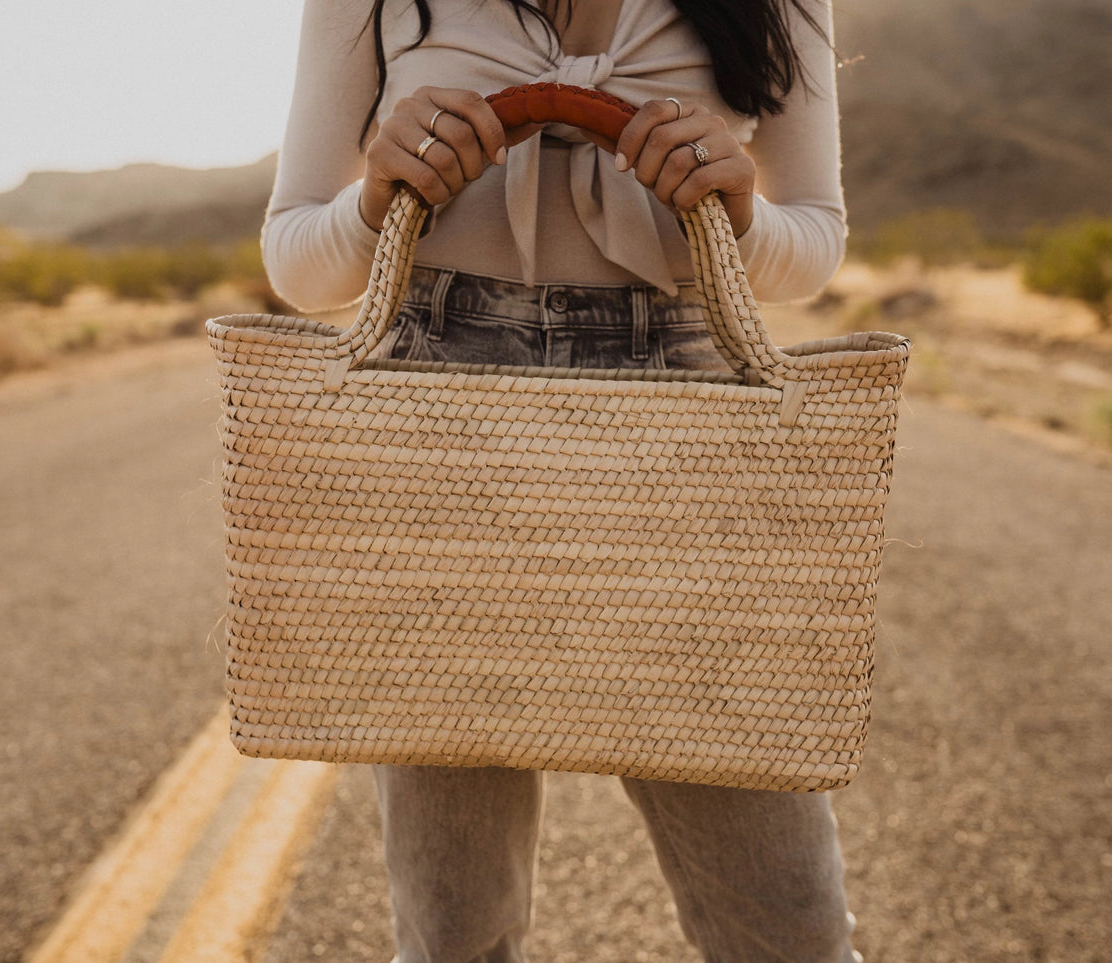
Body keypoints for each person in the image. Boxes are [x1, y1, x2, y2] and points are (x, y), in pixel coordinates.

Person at [262, 2, 859, 960]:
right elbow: (296, 259)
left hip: (688, 446)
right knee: (455, 933)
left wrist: (738, 211)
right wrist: (373, 198)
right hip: (437, 445)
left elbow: (812, 245)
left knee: (788, 928)